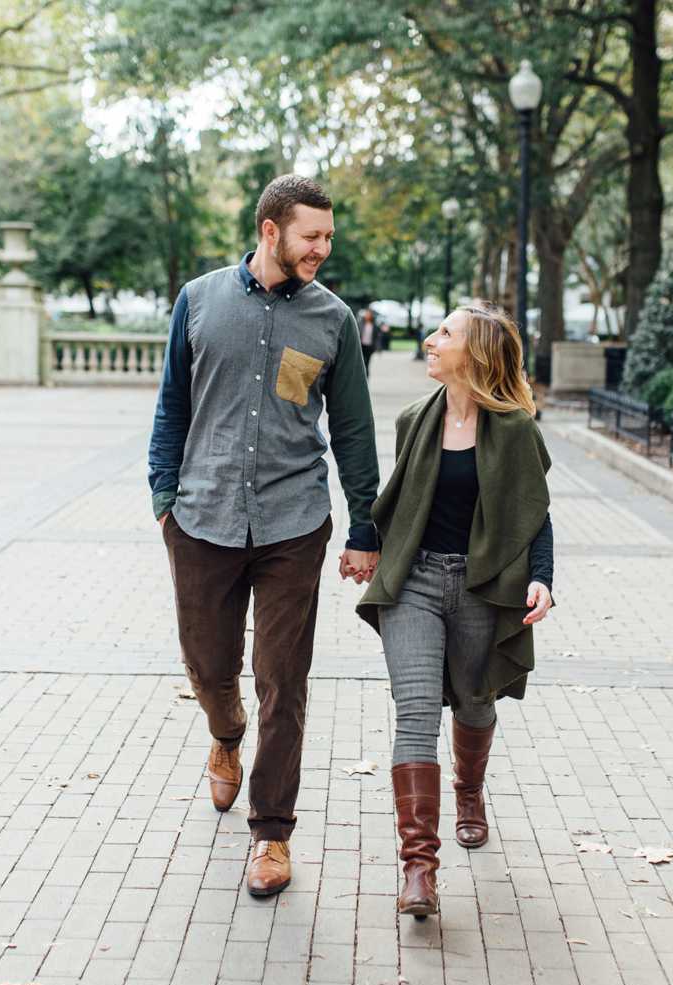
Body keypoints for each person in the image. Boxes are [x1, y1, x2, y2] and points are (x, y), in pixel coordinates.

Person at [149, 174, 381, 898]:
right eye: (312, 235)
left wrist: (364, 523)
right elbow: (170, 410)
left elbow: (352, 429)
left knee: (285, 680)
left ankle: (272, 832)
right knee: (208, 664)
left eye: (329, 236)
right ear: (270, 231)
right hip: (202, 517)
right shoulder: (199, 299)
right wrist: (165, 500)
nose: (323, 248)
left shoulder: (332, 319)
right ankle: (224, 733)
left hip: (292, 523)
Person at [357, 300, 554, 919]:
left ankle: (470, 792)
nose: (431, 339)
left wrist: (543, 580)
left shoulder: (516, 429)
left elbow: (535, 515)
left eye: (445, 333)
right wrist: (366, 547)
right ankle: (419, 869)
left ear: (475, 354)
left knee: (474, 702)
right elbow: (402, 504)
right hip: (414, 581)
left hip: (480, 586)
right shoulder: (415, 419)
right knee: (414, 711)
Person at [359, 308, 379, 376]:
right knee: (361, 362)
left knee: (367, 362)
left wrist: (376, 347)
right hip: (361, 346)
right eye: (366, 314)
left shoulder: (374, 326)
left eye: (369, 314)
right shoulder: (360, 323)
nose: (367, 315)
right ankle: (361, 376)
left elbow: (377, 337)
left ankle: (366, 376)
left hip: (370, 347)